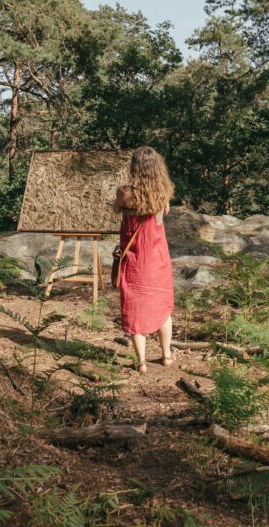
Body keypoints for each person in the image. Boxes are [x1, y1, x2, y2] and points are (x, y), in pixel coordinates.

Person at [113, 146, 175, 373]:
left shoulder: (124, 192)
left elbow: (116, 210)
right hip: (157, 259)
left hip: (133, 261)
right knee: (162, 308)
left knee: (135, 307)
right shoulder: (163, 192)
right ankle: (166, 356)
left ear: (134, 167)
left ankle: (141, 362)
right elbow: (165, 212)